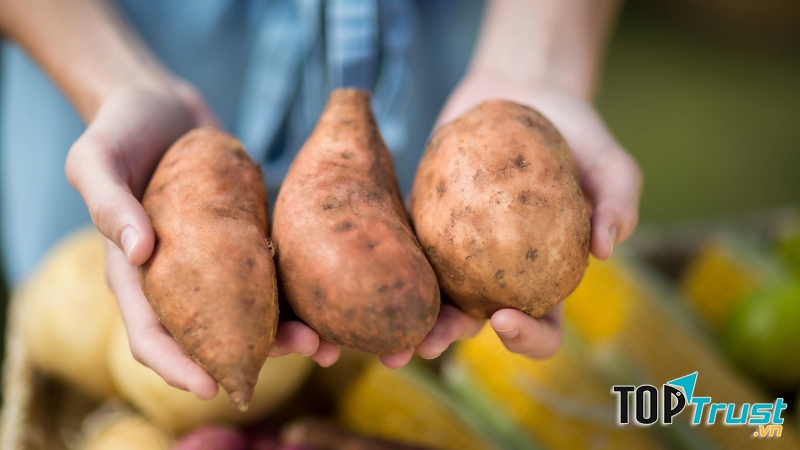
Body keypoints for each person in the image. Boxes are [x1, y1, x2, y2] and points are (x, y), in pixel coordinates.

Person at [0, 0, 641, 401]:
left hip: (464, 75)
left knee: (438, 352)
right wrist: (115, 83)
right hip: (131, 40)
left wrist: (540, 62)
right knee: (82, 322)